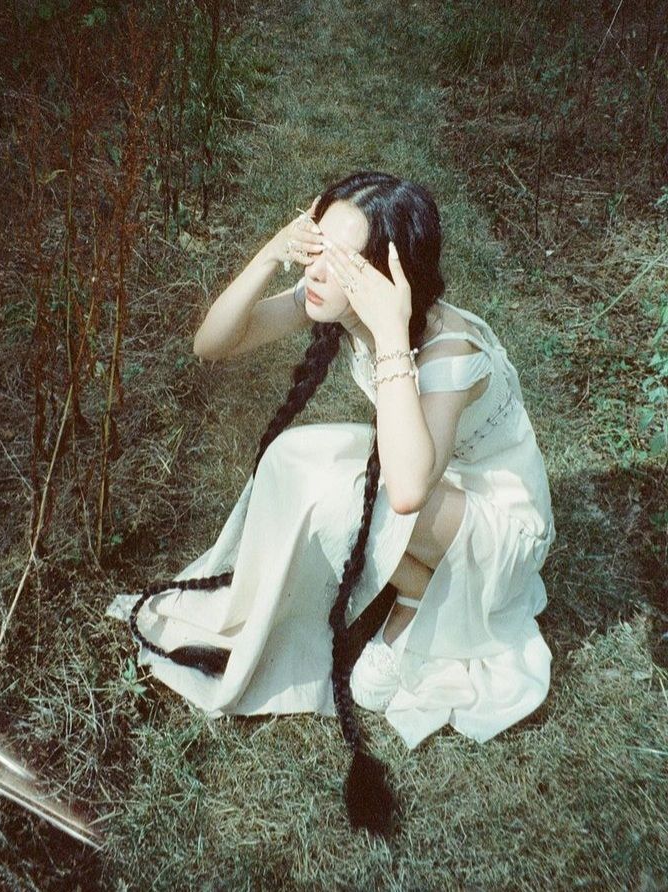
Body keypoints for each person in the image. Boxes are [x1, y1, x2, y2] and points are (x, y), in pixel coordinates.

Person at [109, 171, 556, 837]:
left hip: (494, 519)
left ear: (388, 277)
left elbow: (406, 491)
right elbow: (212, 345)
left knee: (350, 500)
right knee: (296, 460)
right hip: (432, 483)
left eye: (340, 259)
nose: (317, 270)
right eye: (316, 243)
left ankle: (413, 607)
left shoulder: (447, 347)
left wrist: (392, 340)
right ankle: (411, 582)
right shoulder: (332, 299)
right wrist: (270, 253)